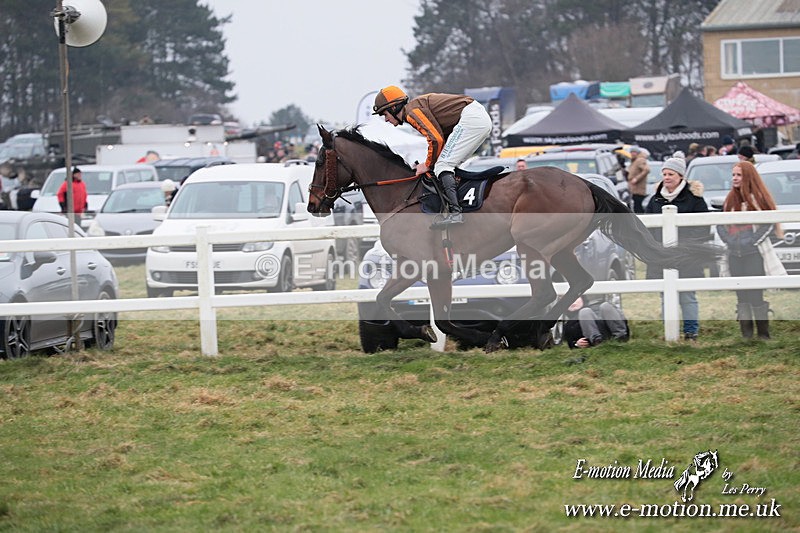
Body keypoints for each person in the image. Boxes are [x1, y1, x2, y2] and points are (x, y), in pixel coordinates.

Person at [373, 85, 492, 228]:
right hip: (476, 117)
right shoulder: (413, 109)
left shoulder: (412, 112)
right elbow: (441, 139)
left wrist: (427, 164)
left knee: (443, 165)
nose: (386, 120)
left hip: (472, 119)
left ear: (393, 107)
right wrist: (431, 163)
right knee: (445, 164)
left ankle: (456, 213)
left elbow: (436, 139)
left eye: (384, 114)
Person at [644, 157, 710, 341]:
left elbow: (703, 227)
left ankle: (691, 332)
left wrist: (684, 246)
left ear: (680, 176)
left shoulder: (695, 199)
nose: (666, 177)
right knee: (665, 295)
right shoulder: (655, 200)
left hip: (686, 255)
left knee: (687, 295)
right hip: (661, 255)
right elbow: (647, 228)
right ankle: (670, 331)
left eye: (670, 174)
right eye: (664, 174)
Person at [716, 161, 782, 339]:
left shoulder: (758, 199)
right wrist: (729, 240)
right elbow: (720, 224)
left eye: (739, 175)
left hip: (753, 254)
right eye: (733, 175)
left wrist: (752, 242)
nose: (735, 178)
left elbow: (768, 224)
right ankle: (746, 335)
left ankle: (763, 334)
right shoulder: (730, 199)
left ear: (748, 177)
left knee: (755, 293)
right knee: (741, 294)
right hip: (734, 253)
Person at [563, 296, 629, 349]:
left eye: (575, 298)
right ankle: (597, 341)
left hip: (614, 333)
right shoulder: (569, 325)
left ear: (582, 298)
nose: (572, 302)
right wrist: (577, 344)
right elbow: (571, 342)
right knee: (585, 312)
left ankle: (621, 337)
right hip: (596, 341)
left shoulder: (598, 307)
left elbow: (622, 320)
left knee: (605, 306)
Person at [627, 146, 650, 214]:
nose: (632, 154)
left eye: (634, 152)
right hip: (634, 189)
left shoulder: (640, 160)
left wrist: (636, 179)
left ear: (637, 153)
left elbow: (646, 170)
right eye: (631, 152)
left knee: (638, 206)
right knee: (635, 206)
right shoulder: (634, 161)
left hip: (638, 189)